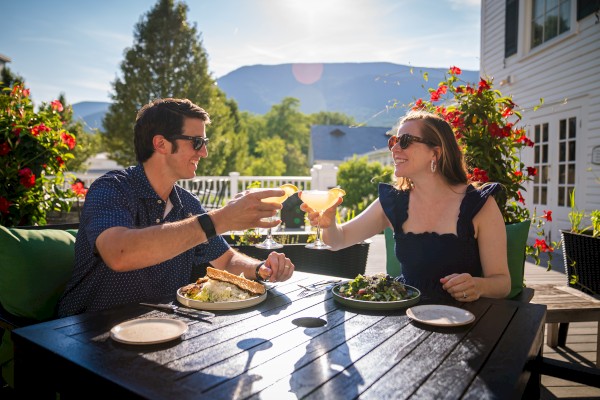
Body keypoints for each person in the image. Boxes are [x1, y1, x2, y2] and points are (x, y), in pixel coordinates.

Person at [58, 98, 295, 317]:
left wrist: (262, 269)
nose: (204, 152)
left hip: (160, 330)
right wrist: (219, 220)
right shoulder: (112, 189)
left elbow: (226, 261)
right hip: (84, 334)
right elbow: (118, 254)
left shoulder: (188, 204)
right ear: (161, 143)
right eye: (197, 142)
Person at [300, 110, 510, 301]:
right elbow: (339, 240)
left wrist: (479, 286)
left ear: (435, 153)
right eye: (394, 141)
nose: (394, 149)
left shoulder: (480, 204)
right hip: (405, 316)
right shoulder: (394, 202)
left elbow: (502, 283)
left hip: (464, 319)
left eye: (406, 141)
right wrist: (328, 225)